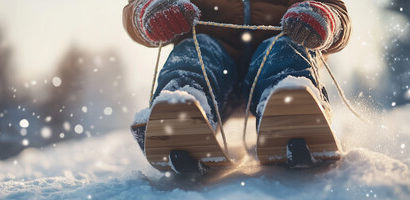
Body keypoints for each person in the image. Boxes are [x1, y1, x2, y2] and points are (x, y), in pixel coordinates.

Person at [123, 0, 351, 171]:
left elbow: (337, 13)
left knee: (285, 50)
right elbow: (135, 9)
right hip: (214, 62)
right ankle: (181, 107)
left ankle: (289, 103)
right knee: (195, 52)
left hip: (274, 51)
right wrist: (150, 11)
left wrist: (322, 17)